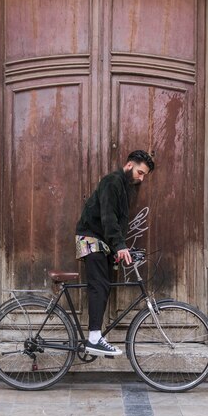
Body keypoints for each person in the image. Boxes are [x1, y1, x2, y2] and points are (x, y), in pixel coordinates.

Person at [75, 150, 155, 357]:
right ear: (129, 165)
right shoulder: (112, 182)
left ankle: (96, 337)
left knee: (103, 286)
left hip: (103, 243)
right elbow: (108, 216)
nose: (141, 177)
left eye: (144, 174)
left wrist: (121, 247)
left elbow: (118, 222)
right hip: (91, 239)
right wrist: (119, 246)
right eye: (140, 172)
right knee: (99, 286)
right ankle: (94, 338)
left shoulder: (124, 186)